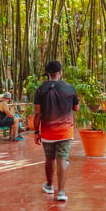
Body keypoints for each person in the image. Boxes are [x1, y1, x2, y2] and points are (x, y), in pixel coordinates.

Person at [32, 60, 79, 202]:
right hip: (65, 131)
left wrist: (36, 131)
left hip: (47, 131)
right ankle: (61, 193)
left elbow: (37, 113)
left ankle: (50, 185)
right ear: (60, 73)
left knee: (49, 158)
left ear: (47, 74)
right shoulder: (69, 88)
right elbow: (76, 108)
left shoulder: (40, 90)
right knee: (62, 159)